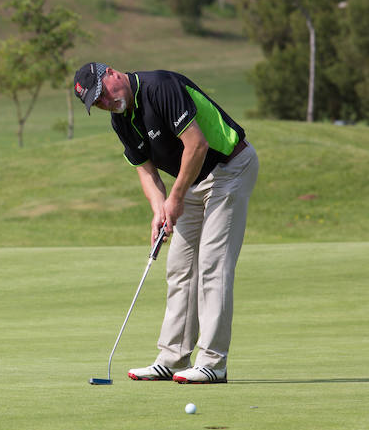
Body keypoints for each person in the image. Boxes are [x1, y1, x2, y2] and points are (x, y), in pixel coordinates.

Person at [73, 62, 259, 384]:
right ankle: (172, 358)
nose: (105, 103)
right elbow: (145, 170)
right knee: (179, 267)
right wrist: (160, 209)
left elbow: (197, 145)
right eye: (97, 103)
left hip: (229, 168)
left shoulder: (160, 87)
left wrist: (174, 198)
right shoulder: (121, 122)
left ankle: (213, 363)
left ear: (113, 74)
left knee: (212, 265)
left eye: (102, 94)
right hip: (192, 181)